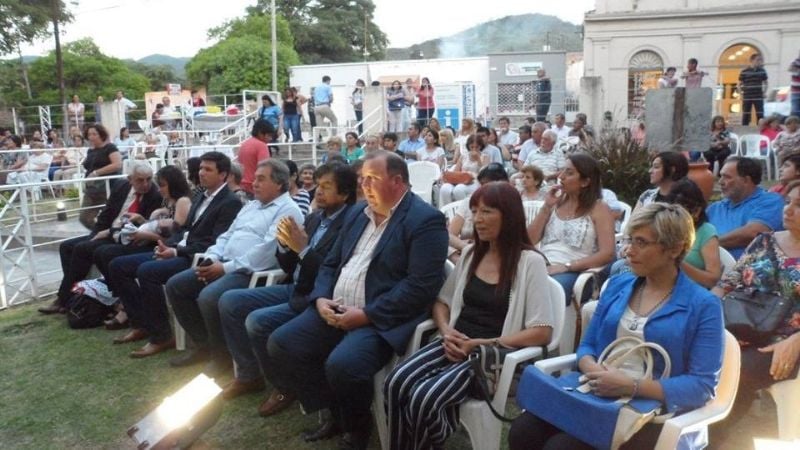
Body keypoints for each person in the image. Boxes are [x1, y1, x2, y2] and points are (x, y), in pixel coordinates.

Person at [264, 151, 449, 449]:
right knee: (282, 343)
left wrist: (366, 315)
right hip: (334, 307)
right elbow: (329, 264)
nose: (364, 185)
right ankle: (334, 412)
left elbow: (419, 287)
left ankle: (356, 431)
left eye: (372, 179)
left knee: (343, 364)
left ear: (398, 181)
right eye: (362, 178)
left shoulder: (425, 220)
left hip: (379, 317)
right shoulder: (356, 214)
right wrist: (321, 298)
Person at [510, 202, 725, 450]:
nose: (628, 251)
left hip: (654, 414)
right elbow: (588, 345)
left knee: (562, 447)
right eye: (628, 241)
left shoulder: (703, 305)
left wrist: (631, 386)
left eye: (641, 243)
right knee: (523, 429)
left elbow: (702, 385)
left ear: (675, 249)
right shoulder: (619, 285)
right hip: (599, 396)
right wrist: (593, 368)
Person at [385, 182, 555, 450]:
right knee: (395, 382)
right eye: (474, 211)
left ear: (508, 215)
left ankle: (429, 438)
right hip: (454, 343)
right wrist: (446, 331)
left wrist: (479, 344)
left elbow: (543, 331)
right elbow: (442, 302)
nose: (477, 219)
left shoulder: (529, 262)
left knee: (424, 397)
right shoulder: (471, 253)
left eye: (486, 212)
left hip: (490, 358)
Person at [216, 163, 356, 415]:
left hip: (317, 295)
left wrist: (302, 248)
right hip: (295, 285)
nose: (318, 192)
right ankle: (250, 374)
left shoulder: (349, 224)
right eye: (317, 185)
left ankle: (284, 387)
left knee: (257, 322)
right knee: (230, 302)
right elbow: (290, 266)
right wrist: (284, 245)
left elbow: (329, 273)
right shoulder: (315, 219)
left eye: (326, 187)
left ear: (345, 194)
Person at [165, 159, 304, 372]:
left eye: (261, 179)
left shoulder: (289, 210)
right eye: (255, 178)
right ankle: (205, 345)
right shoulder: (251, 205)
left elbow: (266, 253)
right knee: (177, 285)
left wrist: (225, 268)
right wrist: (211, 258)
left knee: (209, 297)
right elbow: (227, 235)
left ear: (279, 184)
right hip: (223, 263)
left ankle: (223, 359)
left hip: (252, 272)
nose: (254, 183)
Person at [108, 152, 243, 356]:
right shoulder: (200, 196)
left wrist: (176, 250)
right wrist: (168, 245)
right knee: (118, 266)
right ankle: (141, 323)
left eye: (208, 169)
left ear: (223, 174)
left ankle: (162, 336)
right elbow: (185, 229)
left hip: (196, 257)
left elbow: (214, 241)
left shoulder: (229, 202)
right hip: (180, 249)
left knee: (147, 272)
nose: (202, 173)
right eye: (201, 168)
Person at [710, 180, 800, 443]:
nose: (789, 210)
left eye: (799, 205)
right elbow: (729, 282)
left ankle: (706, 436)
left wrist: (796, 341)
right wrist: (709, 309)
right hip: (740, 327)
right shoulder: (764, 240)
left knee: (736, 369)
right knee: (698, 352)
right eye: (788, 203)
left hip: (784, 340)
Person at [37, 162, 162, 314]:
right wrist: (94, 233)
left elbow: (142, 228)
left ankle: (64, 299)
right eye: (140, 180)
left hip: (125, 237)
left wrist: (108, 232)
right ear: (130, 179)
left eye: (149, 179)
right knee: (66, 246)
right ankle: (71, 295)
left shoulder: (155, 195)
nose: (146, 184)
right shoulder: (122, 186)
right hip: (108, 231)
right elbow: (107, 213)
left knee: (83, 249)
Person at [527, 154, 616, 303]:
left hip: (577, 271)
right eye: (562, 171)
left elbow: (607, 253)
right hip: (544, 264)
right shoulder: (555, 202)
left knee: (547, 288)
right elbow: (529, 240)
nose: (561, 177)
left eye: (569, 173)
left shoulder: (599, 208)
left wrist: (567, 267)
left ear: (585, 181)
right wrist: (546, 207)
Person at [707, 156, 784, 259]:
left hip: (752, 272)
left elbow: (754, 234)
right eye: (721, 176)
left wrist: (708, 245)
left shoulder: (770, 201)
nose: (720, 182)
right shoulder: (714, 209)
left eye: (727, 177)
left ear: (746, 180)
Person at [447, 163, 508, 262]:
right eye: (482, 184)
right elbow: (449, 234)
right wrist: (465, 247)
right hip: (466, 250)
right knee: (438, 242)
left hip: (493, 253)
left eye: (488, 185)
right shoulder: (469, 202)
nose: (484, 189)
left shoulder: (509, 206)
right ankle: (461, 264)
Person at [80, 124, 123, 229]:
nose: (91, 137)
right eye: (89, 134)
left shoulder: (110, 148)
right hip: (92, 188)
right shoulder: (91, 151)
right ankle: (99, 232)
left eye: (94, 134)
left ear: (101, 135)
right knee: (84, 217)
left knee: (108, 216)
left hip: (106, 187)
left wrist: (96, 172)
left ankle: (104, 234)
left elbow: (117, 164)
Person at [439, 134, 489, 207]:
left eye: (477, 147)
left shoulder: (485, 157)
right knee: (445, 188)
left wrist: (478, 160)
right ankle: (447, 212)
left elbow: (485, 174)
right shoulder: (464, 156)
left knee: (459, 189)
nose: (474, 149)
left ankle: (464, 211)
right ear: (468, 146)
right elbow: (456, 171)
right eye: (472, 147)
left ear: (480, 146)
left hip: (475, 181)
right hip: (461, 179)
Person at [238, 119, 273, 195]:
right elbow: (265, 169)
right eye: (269, 135)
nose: (270, 139)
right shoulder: (262, 146)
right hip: (254, 188)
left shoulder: (244, 144)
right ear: (260, 133)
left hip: (241, 187)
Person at [739, 53, 768, 127]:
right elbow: (739, 84)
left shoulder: (762, 71)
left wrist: (764, 92)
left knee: (760, 113)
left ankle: (761, 128)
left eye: (760, 60)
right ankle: (744, 128)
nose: (759, 62)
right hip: (747, 95)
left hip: (758, 95)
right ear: (752, 60)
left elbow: (766, 83)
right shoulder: (744, 71)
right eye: (757, 60)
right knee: (746, 113)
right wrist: (741, 94)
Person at [791, 51, 800, 118]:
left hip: (795, 91)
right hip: (795, 91)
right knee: (795, 111)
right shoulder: (795, 62)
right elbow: (790, 69)